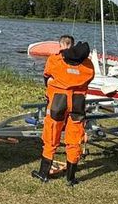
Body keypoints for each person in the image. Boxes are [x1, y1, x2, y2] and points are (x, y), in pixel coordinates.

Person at [31, 36, 95, 186]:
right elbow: (88, 79)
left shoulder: (55, 60)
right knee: (74, 139)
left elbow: (47, 77)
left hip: (58, 102)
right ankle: (71, 178)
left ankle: (43, 173)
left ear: (61, 45)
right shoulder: (88, 65)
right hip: (78, 104)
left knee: (51, 136)